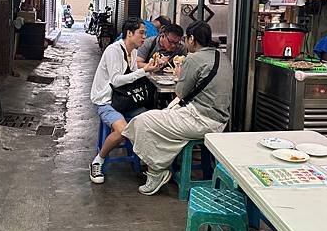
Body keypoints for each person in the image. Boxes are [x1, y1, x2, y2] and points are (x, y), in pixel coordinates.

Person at [123, 21, 233, 196]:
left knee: (143, 121)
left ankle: (156, 172)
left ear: (191, 39)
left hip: (201, 120)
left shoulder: (193, 58)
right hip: (220, 120)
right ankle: (164, 163)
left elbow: (181, 93)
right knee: (163, 117)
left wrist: (181, 75)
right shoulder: (222, 57)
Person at [90, 16, 163, 184]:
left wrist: (151, 67)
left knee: (152, 121)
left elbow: (132, 73)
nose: (144, 37)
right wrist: (144, 71)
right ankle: (98, 161)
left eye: (145, 34)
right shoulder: (113, 50)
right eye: (141, 33)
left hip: (124, 100)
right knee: (122, 131)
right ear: (129, 33)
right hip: (107, 100)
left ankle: (152, 165)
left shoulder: (134, 50)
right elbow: (116, 80)